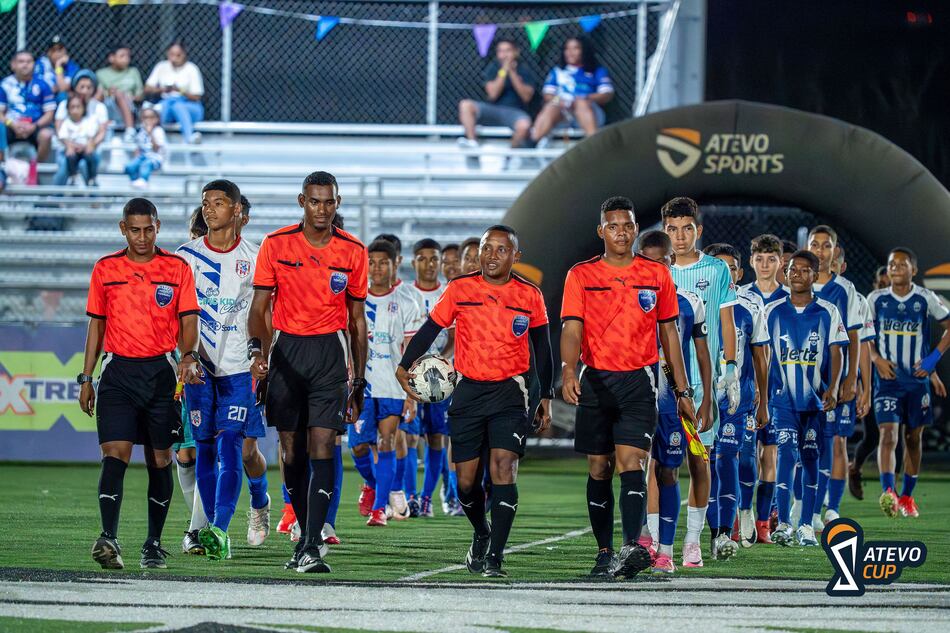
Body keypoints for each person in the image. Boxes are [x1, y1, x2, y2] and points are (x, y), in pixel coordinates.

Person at [398, 225, 553, 578]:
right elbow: (431, 329)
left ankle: (495, 557)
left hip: (511, 392)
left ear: (516, 256)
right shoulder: (461, 289)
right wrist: (405, 365)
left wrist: (546, 395)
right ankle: (482, 533)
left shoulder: (530, 295)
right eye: (487, 248)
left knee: (503, 469)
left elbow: (543, 350)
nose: (492, 255)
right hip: (467, 391)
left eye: (502, 250)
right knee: (466, 483)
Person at [561, 201, 695, 579]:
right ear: (601, 231)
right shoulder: (581, 275)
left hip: (640, 380)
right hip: (597, 380)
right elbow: (571, 327)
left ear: (636, 230)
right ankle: (604, 552)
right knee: (599, 467)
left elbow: (670, 333)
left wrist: (682, 393)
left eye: (627, 225)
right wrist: (569, 369)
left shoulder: (655, 274)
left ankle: (630, 547)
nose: (621, 231)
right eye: (613, 225)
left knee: (633, 462)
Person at [248, 171, 368, 573]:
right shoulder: (276, 243)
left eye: (329, 202)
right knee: (292, 452)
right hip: (286, 353)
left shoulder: (354, 251)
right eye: (315, 201)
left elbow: (356, 322)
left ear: (338, 202)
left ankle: (313, 543)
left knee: (322, 447)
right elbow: (259, 309)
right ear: (302, 201)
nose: (322, 209)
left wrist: (359, 379)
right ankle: (303, 537)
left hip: (329, 356)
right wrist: (258, 354)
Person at [78, 197, 202, 570]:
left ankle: (152, 543)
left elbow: (189, 321)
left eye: (149, 229)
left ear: (158, 226)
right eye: (135, 230)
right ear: (123, 229)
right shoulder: (105, 269)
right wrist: (86, 378)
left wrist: (187, 355)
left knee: (160, 458)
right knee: (114, 453)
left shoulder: (177, 268)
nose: (143, 236)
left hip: (161, 375)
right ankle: (109, 538)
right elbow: (96, 326)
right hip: (117, 374)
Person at [176, 181, 271, 561]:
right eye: (205, 204)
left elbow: (263, 314)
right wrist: (185, 356)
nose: (210, 210)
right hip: (199, 367)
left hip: (238, 368)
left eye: (218, 203)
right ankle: (205, 527)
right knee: (202, 448)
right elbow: (176, 316)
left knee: (233, 446)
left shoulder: (257, 256)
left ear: (236, 211)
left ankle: (218, 528)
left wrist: (260, 354)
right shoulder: (185, 257)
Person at [661, 196, 738, 568]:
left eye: (686, 228)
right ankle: (655, 541)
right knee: (658, 464)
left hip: (702, 381)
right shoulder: (657, 271)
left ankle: (692, 541)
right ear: (665, 231)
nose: (679, 236)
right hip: (661, 383)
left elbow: (726, 322)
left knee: (698, 459)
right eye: (672, 229)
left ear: (698, 231)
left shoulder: (717, 271)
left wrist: (731, 368)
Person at [637, 230, 709, 576]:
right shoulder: (625, 298)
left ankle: (665, 550)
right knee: (632, 468)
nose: (657, 268)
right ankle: (640, 539)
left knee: (668, 470)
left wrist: (696, 394)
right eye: (649, 262)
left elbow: (698, 350)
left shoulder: (690, 302)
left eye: (663, 262)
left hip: (670, 398)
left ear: (671, 262)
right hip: (633, 393)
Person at [765, 250, 846, 547]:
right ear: (785, 275)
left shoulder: (827, 311)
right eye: (792, 269)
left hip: (814, 402)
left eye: (804, 269)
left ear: (816, 274)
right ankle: (784, 524)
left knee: (810, 458)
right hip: (782, 400)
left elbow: (837, 351)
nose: (797, 274)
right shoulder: (772, 311)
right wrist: (763, 396)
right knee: (786, 454)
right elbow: (763, 355)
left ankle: (806, 524)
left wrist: (834, 388)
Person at [866, 247, 950, 519]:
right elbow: (864, 336)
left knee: (913, 439)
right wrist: (876, 358)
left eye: (902, 265)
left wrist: (932, 360)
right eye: (892, 264)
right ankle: (888, 493)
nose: (895, 268)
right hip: (887, 382)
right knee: (888, 435)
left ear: (913, 270)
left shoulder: (925, 298)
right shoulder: (876, 299)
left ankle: (907, 497)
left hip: (916, 383)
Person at [703, 244, 770, 557]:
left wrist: (763, 397)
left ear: (739, 274)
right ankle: (712, 531)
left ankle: (736, 518)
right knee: (707, 464)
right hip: (704, 397)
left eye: (729, 268)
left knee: (734, 459)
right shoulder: (696, 302)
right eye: (717, 266)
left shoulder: (750, 307)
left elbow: (761, 356)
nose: (723, 274)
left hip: (737, 399)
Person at [351, 239, 421, 526]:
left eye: (384, 262)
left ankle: (380, 508)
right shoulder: (355, 298)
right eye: (373, 262)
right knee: (357, 446)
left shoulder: (406, 300)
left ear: (395, 265)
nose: (377, 268)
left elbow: (412, 351)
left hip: (393, 387)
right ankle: (377, 485)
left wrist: (411, 395)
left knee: (387, 441)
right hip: (361, 386)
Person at [806, 225, 863, 533]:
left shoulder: (845, 289)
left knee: (836, 442)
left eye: (826, 246)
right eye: (815, 244)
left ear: (834, 252)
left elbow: (854, 336)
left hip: (835, 379)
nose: (820, 250)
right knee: (806, 443)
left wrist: (850, 379)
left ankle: (831, 508)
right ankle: (804, 506)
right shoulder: (798, 283)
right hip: (804, 380)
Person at [738, 234, 788, 543]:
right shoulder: (742, 296)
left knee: (771, 456)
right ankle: (740, 517)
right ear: (752, 261)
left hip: (779, 389)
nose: (765, 264)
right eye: (760, 259)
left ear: (780, 262)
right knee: (746, 456)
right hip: (747, 389)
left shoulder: (789, 298)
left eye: (771, 259)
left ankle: (762, 523)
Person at [411, 238, 456, 518]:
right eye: (423, 259)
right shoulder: (406, 294)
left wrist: (438, 360)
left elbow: (451, 336)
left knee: (437, 437)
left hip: (439, 379)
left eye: (434, 259)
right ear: (413, 262)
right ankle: (404, 497)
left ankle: (426, 498)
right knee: (407, 436)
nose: (429, 264)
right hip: (412, 377)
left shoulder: (449, 292)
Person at [458, 39, 536, 152]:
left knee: (524, 125)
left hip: (514, 112)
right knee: (465, 105)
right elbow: (493, 94)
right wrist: (504, 70)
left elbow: (526, 97)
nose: (504, 55)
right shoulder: (493, 69)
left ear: (516, 52)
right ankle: (472, 143)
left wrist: (513, 73)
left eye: (508, 51)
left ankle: (510, 155)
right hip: (493, 109)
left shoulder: (524, 70)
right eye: (501, 51)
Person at [531, 36, 614, 142]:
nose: (570, 52)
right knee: (552, 105)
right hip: (563, 113)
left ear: (583, 51)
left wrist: (585, 98)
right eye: (567, 49)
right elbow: (548, 95)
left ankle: (594, 143)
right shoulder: (557, 72)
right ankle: (532, 143)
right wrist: (559, 101)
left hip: (590, 112)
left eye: (575, 48)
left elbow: (607, 94)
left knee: (580, 103)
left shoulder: (596, 71)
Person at [145, 42, 205, 144]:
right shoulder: (161, 67)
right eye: (171, 55)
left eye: (178, 55)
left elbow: (197, 96)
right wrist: (163, 90)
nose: (174, 58)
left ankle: (189, 138)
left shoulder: (191, 68)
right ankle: (155, 141)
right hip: (167, 104)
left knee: (177, 106)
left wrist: (180, 91)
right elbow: (147, 88)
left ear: (184, 54)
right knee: (164, 105)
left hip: (189, 106)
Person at [1, 51, 55, 161]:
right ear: (13, 65)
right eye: (21, 61)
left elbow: (49, 114)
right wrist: (12, 124)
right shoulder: (5, 85)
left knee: (46, 135)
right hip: (11, 126)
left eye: (29, 61)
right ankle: (2, 170)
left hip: (35, 126)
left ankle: (36, 169)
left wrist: (34, 126)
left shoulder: (43, 85)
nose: (25, 64)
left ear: (34, 64)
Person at [95, 44, 144, 140]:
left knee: (121, 95)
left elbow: (140, 94)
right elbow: (98, 95)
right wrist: (109, 92)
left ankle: (130, 130)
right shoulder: (101, 74)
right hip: (109, 104)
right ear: (111, 58)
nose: (126, 59)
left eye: (128, 56)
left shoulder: (133, 71)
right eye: (122, 56)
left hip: (130, 104)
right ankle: (129, 129)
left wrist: (133, 97)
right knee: (118, 94)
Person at [54, 95, 100, 186]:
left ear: (83, 108)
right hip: (72, 149)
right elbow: (63, 137)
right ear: (68, 110)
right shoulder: (66, 123)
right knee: (70, 156)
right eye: (72, 107)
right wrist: (71, 146)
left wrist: (86, 146)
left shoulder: (88, 122)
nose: (75, 110)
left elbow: (91, 137)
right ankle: (73, 177)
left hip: (85, 149)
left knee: (91, 156)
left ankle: (92, 178)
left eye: (78, 107)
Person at [125, 105, 167, 188]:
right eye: (145, 117)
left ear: (157, 119)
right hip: (143, 156)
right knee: (130, 166)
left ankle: (144, 180)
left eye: (151, 117)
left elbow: (156, 148)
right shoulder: (141, 131)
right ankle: (134, 180)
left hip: (155, 157)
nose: (148, 120)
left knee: (146, 164)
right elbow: (138, 147)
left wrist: (150, 133)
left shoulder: (158, 131)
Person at [35, 36, 80, 103]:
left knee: (63, 96)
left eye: (60, 50)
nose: (57, 53)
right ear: (48, 53)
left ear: (65, 51)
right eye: (53, 50)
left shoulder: (71, 66)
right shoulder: (41, 64)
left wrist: (58, 65)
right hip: (42, 99)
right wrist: (53, 89)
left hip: (59, 98)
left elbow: (62, 88)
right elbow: (38, 87)